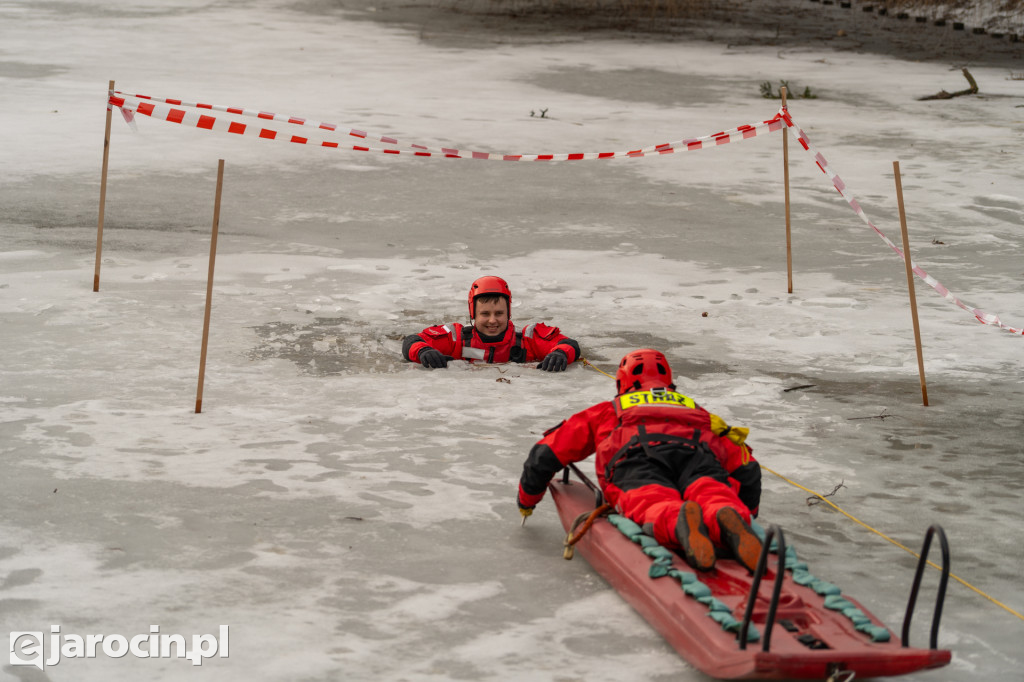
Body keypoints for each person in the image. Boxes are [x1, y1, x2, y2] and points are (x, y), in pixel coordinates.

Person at [516, 349, 763, 572]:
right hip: (697, 454)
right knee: (711, 490)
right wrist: (750, 513)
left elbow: (545, 454)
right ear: (669, 381)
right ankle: (727, 515)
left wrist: (527, 501)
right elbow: (747, 467)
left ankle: (678, 521)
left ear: (621, 382)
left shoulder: (611, 409)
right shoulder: (698, 411)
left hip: (636, 458)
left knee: (651, 499)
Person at [402, 275, 581, 372]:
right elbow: (411, 341)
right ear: (473, 313)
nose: (493, 320)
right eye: (485, 314)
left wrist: (561, 354)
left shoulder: (528, 338)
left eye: (499, 313)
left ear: (508, 312)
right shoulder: (456, 337)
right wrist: (424, 351)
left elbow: (568, 344)